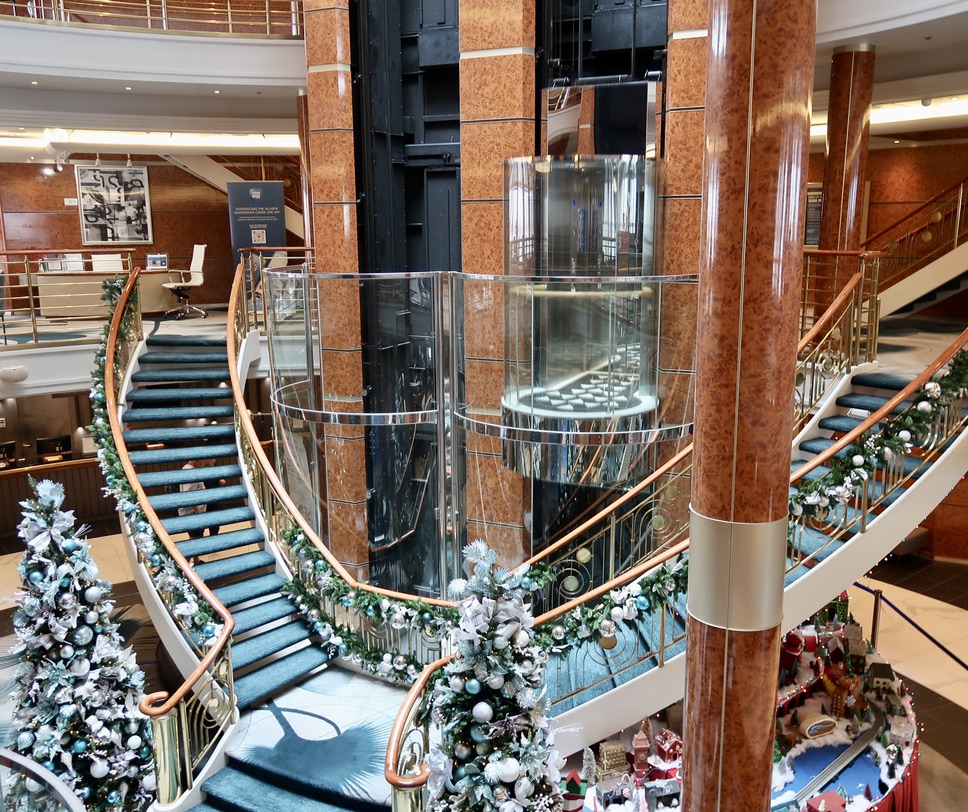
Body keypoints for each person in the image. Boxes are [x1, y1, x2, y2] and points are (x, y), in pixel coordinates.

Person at [178, 457, 222, 539]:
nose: (205, 461)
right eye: (203, 460)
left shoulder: (186, 468)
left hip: (193, 513)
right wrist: (197, 511)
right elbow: (188, 494)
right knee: (196, 538)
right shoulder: (192, 473)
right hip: (193, 514)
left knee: (196, 536)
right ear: (196, 461)